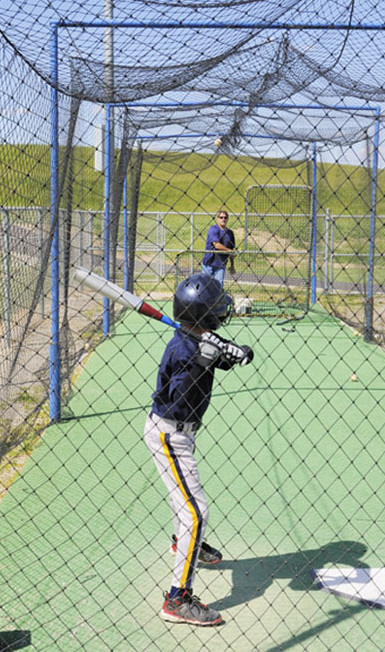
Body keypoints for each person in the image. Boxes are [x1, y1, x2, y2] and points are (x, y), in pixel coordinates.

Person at [144, 273, 254, 626]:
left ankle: (188, 543)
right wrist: (202, 362)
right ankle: (177, 600)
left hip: (182, 435)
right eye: (215, 306)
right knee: (195, 512)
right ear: (203, 314)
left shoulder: (199, 336)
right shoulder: (182, 349)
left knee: (187, 503)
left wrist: (233, 352)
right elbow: (176, 400)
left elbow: (216, 349)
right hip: (169, 435)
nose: (222, 308)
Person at [201, 210, 236, 287]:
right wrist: (229, 250)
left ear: (227, 219)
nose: (223, 219)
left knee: (218, 286)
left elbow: (232, 251)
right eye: (221, 217)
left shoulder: (230, 233)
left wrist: (232, 265)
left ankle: (217, 299)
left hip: (221, 264)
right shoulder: (213, 229)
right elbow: (216, 245)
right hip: (209, 263)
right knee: (205, 286)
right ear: (217, 219)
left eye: (225, 217)